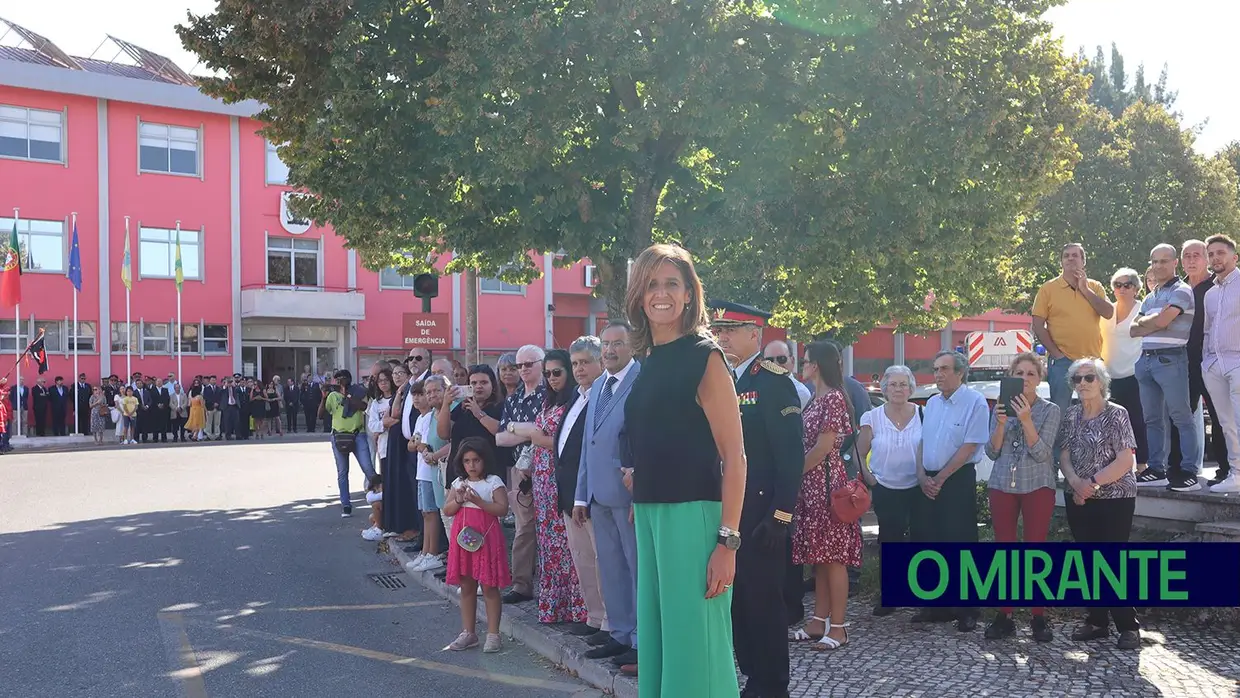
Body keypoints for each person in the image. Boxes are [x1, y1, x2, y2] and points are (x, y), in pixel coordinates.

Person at [624, 243, 746, 697]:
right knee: (659, 644)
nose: (661, 294)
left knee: (696, 648)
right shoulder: (648, 362)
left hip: (694, 518)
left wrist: (727, 542)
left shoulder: (705, 357)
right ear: (639, 295)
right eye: (652, 284)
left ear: (690, 294)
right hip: (652, 515)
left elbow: (735, 456)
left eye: (672, 284)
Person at [710, 301, 803, 697]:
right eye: (719, 330)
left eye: (731, 330)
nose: (723, 337)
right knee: (737, 602)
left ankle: (772, 684)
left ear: (756, 335)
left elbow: (790, 456)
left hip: (761, 512)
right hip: (727, 509)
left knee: (764, 602)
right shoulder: (720, 380)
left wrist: (781, 516)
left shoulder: (771, 381)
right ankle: (751, 675)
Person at [1057, 358, 1140, 650]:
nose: (1082, 384)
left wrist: (1090, 484)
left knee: (1112, 563)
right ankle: (1096, 622)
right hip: (1078, 497)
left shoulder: (1117, 414)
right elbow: (1064, 455)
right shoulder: (1070, 415)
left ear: (1101, 382)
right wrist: (1076, 484)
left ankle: (1128, 627)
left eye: (1089, 378)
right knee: (1089, 562)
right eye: (1077, 379)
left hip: (1115, 498)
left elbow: (1125, 460)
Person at [574, 324, 643, 665]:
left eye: (618, 343)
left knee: (637, 569)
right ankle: (619, 633)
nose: (610, 350)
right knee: (612, 568)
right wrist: (580, 496)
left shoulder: (643, 381)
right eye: (606, 344)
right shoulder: (598, 384)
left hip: (629, 494)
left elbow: (646, 438)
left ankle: (641, 640)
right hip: (599, 496)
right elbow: (590, 444)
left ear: (634, 346)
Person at [787, 340, 861, 655]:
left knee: (834, 560)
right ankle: (818, 621)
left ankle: (840, 627)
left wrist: (794, 473)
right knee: (819, 559)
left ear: (816, 365)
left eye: (805, 361)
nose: (802, 365)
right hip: (813, 486)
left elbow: (823, 447)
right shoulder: (816, 400)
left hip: (826, 486)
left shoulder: (832, 399)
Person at [982, 353, 1061, 642]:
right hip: (1003, 484)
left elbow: (1042, 454)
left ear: (1039, 379)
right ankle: (1005, 614)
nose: (1025, 379)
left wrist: (1026, 420)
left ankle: (1038, 616)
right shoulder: (1000, 408)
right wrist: (1002, 424)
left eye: (1031, 374)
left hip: (1037, 485)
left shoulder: (1050, 410)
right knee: (1005, 550)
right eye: (1019, 373)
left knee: (1035, 550)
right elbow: (991, 452)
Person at [912, 351, 989, 631]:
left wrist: (941, 478)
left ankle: (967, 609)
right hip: (929, 479)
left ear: (960, 372)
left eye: (944, 369)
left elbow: (970, 446)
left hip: (956, 480)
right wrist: (922, 476)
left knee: (960, 543)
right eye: (935, 369)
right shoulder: (931, 403)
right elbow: (922, 441)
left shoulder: (975, 402)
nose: (938, 374)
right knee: (930, 542)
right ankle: (937, 606)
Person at [510, 349, 588, 625]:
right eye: (548, 373)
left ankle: (578, 607)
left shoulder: (575, 402)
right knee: (549, 546)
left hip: (561, 479)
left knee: (569, 545)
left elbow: (560, 442)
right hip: (542, 481)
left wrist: (535, 435)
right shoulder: (548, 401)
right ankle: (555, 605)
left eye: (557, 372)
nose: (552, 378)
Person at [1130, 243, 1199, 491]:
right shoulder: (1150, 296)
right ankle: (1156, 469)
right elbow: (1133, 329)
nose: (1158, 266)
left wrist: (1153, 322)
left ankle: (1189, 471)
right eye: (1154, 262)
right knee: (1152, 419)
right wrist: (1155, 322)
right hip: (1146, 360)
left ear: (1174, 263)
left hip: (1171, 359)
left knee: (1181, 416)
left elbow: (1163, 320)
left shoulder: (1182, 290)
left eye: (1163, 261)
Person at [856, 365, 922, 617]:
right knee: (890, 542)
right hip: (885, 487)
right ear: (884, 388)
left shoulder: (922, 414)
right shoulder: (871, 418)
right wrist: (870, 479)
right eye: (893, 384)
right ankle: (890, 595)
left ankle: (918, 592)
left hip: (917, 487)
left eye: (903, 384)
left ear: (910, 388)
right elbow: (860, 452)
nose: (898, 389)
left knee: (918, 539)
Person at [556, 336, 610, 639]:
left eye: (585, 362)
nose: (579, 369)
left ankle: (611, 622)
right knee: (583, 558)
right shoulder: (577, 396)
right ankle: (594, 616)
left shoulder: (604, 396)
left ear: (600, 361)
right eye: (574, 363)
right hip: (569, 494)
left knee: (604, 561)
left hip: (593, 494)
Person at [443, 437, 511, 653]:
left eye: (476, 460)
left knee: (490, 586)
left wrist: (480, 502)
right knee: (467, 585)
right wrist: (460, 499)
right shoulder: (458, 483)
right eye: (467, 461)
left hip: (487, 539)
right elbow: (448, 510)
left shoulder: (493, 482)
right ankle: (468, 632)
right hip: (464, 539)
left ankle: (493, 633)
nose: (471, 466)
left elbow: (502, 509)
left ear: (485, 461)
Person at [494, 345, 548, 605]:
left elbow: (547, 430)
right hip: (520, 470)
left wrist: (516, 428)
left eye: (529, 364)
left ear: (542, 364)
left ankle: (552, 589)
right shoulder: (512, 400)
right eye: (519, 365)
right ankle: (521, 584)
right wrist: (529, 430)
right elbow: (501, 438)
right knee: (523, 528)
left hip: (548, 469)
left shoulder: (551, 394)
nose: (523, 369)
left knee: (551, 529)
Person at [1031, 243, 1114, 414]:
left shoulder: (1095, 286)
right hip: (1062, 362)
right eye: (1066, 256)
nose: (1070, 258)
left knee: (1095, 411)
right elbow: (1038, 325)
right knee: (1060, 413)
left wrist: (1085, 289)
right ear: (1061, 262)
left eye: (1075, 255)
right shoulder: (1048, 289)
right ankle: (1062, 442)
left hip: (1092, 361)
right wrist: (1056, 354)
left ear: (1083, 261)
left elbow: (1108, 312)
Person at [1100, 268, 1149, 472]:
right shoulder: (1106, 311)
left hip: (1135, 374)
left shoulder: (1143, 309)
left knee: (1138, 421)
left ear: (1136, 289)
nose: (1121, 289)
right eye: (1117, 285)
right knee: (1111, 424)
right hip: (1109, 377)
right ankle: (1113, 466)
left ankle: (1143, 465)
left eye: (1127, 285)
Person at [1203, 234, 1240, 492]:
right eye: (1212, 254)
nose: (1216, 258)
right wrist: (1207, 361)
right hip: (1214, 365)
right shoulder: (1210, 293)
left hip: (1238, 361)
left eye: (1221, 253)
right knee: (1226, 423)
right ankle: (1237, 474)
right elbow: (1208, 329)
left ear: (1234, 257)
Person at [323, 369, 377, 517]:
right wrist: (324, 397)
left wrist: (347, 394)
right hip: (339, 436)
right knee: (342, 472)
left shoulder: (358, 392)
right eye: (337, 379)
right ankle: (346, 505)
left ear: (348, 378)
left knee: (368, 469)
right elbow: (322, 414)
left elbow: (363, 407)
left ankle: (378, 499)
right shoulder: (333, 396)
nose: (339, 381)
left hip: (357, 434)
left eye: (342, 378)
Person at [437, 364, 505, 481]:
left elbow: (502, 433)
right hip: (458, 475)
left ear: (492, 385)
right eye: (474, 383)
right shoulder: (463, 407)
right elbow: (444, 434)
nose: (478, 387)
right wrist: (446, 404)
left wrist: (479, 414)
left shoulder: (500, 407)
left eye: (484, 383)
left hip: (489, 476)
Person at [384, 368, 422, 545]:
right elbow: (391, 415)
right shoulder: (401, 392)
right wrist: (399, 393)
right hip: (399, 443)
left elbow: (395, 416)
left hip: (406, 444)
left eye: (400, 373)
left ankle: (415, 529)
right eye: (395, 373)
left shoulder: (412, 389)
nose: (396, 376)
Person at [362, 474, 385, 541]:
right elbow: (369, 498)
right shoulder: (374, 493)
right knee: (372, 517)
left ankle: (378, 530)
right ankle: (375, 528)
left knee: (376, 505)